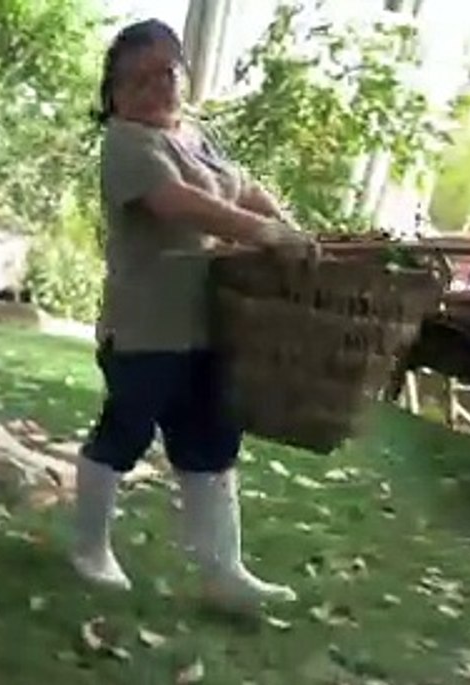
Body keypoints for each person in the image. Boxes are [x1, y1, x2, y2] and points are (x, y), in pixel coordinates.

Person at [72, 18, 318, 615]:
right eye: (137, 78)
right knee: (125, 434)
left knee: (212, 440)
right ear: (114, 90)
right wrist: (263, 234)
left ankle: (223, 571)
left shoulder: (194, 136)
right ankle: (90, 548)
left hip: (209, 327)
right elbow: (179, 203)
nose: (155, 88)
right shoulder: (127, 142)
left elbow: (243, 187)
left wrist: (289, 227)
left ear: (182, 74)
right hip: (146, 327)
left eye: (166, 73)